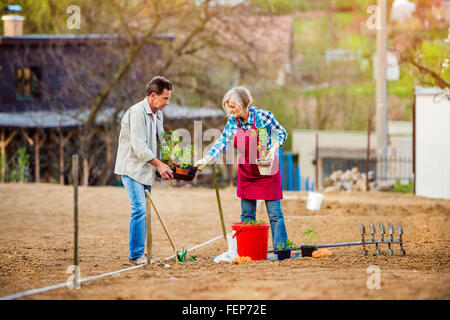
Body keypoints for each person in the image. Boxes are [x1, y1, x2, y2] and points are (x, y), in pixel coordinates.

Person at [195, 87, 288, 250]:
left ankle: (281, 250)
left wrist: (273, 149)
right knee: (247, 215)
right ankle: (250, 249)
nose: (230, 111)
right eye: (228, 107)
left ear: (243, 104)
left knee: (275, 215)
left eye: (232, 107)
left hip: (267, 170)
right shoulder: (233, 122)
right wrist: (207, 158)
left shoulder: (263, 116)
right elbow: (222, 142)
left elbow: (282, 133)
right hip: (248, 173)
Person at [114, 76, 174, 265]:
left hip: (146, 171)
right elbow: (139, 147)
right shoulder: (136, 113)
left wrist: (169, 160)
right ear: (152, 96)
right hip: (131, 169)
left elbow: (160, 140)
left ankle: (142, 254)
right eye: (165, 98)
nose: (167, 102)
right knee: (139, 209)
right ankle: (136, 255)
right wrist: (158, 164)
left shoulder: (158, 114)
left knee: (145, 211)